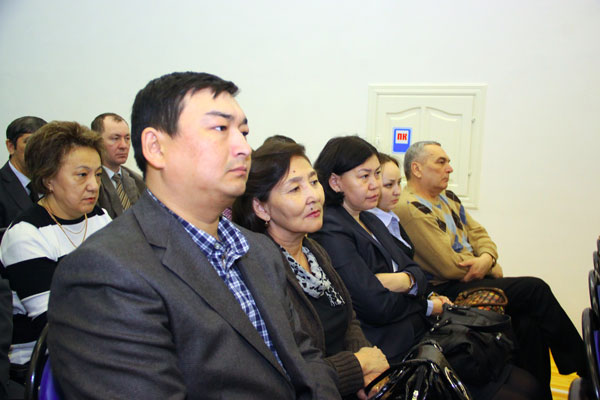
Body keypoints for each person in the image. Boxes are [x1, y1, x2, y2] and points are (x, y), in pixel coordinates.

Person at [47, 72, 340, 399]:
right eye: (220, 129)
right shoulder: (105, 274)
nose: (244, 148)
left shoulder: (259, 250)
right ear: (156, 147)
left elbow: (305, 359)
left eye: (244, 132)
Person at [311, 136, 543, 400]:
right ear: (335, 182)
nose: (375, 184)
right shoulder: (332, 229)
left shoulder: (370, 219)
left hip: (421, 333)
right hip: (393, 348)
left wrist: (403, 281)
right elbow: (376, 306)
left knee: (525, 379)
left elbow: (418, 272)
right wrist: (421, 301)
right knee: (519, 389)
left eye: (376, 174)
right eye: (364, 176)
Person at [395, 140, 587, 399]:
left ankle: (541, 394)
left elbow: (480, 235)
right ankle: (585, 366)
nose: (450, 168)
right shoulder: (410, 208)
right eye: (441, 162)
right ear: (417, 169)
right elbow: (450, 266)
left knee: (528, 323)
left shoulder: (448, 198)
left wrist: (486, 258)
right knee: (535, 289)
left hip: (473, 277)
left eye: (448, 162)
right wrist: (489, 265)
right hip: (449, 290)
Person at [232, 141, 389, 399]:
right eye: (295, 189)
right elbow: (287, 370)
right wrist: (357, 366)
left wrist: (367, 367)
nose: (314, 196)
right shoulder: (258, 269)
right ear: (261, 208)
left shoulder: (313, 250)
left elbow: (348, 318)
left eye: (314, 182)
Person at [0, 121, 111, 382]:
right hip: (43, 365)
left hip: (103, 347)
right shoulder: (26, 235)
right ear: (48, 179)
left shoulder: (100, 217)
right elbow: (56, 325)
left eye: (97, 175)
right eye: (82, 175)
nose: (94, 185)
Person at [91, 113, 145, 218]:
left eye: (127, 138)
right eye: (115, 138)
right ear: (97, 141)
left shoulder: (138, 181)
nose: (124, 146)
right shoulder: (90, 183)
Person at [0, 116, 47, 229]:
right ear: (11, 146)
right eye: (29, 142)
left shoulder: (53, 182)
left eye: (44, 143)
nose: (38, 149)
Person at [367, 153, 414, 259]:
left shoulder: (391, 216)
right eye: (389, 185)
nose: (398, 191)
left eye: (399, 183)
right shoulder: (368, 226)